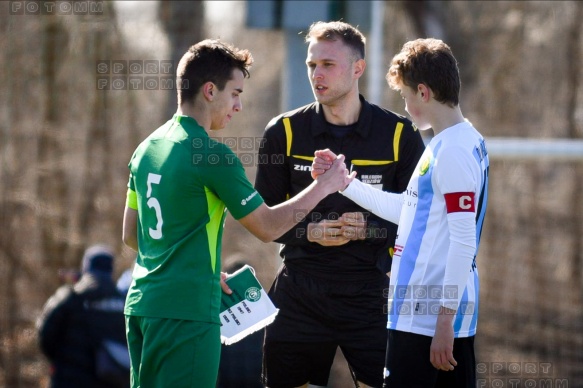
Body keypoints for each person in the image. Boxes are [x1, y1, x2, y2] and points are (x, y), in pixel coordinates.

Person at [121, 39, 347, 388]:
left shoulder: (146, 148)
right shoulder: (212, 155)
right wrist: (324, 186)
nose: (239, 106)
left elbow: (131, 235)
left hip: (140, 307)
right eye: (236, 93)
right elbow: (269, 227)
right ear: (210, 91)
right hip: (187, 314)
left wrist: (199, 272)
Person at [254, 21, 425, 388]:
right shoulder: (282, 132)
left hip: (371, 294)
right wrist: (308, 231)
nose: (317, 73)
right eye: (312, 65)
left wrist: (371, 229)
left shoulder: (399, 135)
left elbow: (421, 220)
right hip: (300, 291)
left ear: (357, 68)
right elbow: (262, 220)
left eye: (328, 64)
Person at [313, 38, 490, 388]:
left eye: (406, 97)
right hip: (423, 317)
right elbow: (410, 212)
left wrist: (444, 321)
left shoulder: (452, 151)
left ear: (423, 92)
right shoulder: (450, 142)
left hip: (428, 320)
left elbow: (463, 240)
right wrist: (345, 184)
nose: (406, 108)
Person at [37, 244, 129, 388]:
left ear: (86, 267)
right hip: (112, 381)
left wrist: (62, 363)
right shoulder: (125, 303)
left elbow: (45, 336)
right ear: (111, 269)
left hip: (69, 381)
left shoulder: (70, 297)